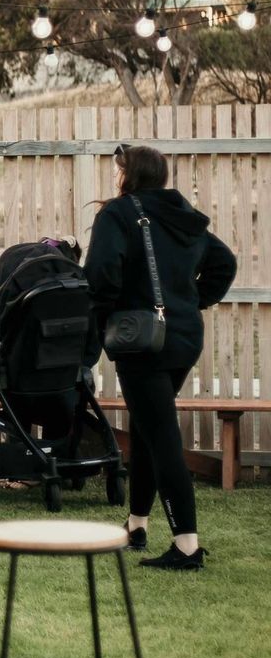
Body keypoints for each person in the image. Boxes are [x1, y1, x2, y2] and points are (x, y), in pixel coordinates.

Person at [84, 144, 236, 571]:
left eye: (118, 170)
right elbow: (224, 263)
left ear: (127, 175)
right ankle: (136, 525)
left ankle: (186, 546)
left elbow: (100, 276)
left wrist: (105, 318)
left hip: (142, 342)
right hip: (184, 338)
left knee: (162, 434)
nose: (115, 176)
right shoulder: (181, 215)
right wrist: (189, 302)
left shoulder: (118, 215)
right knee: (150, 425)